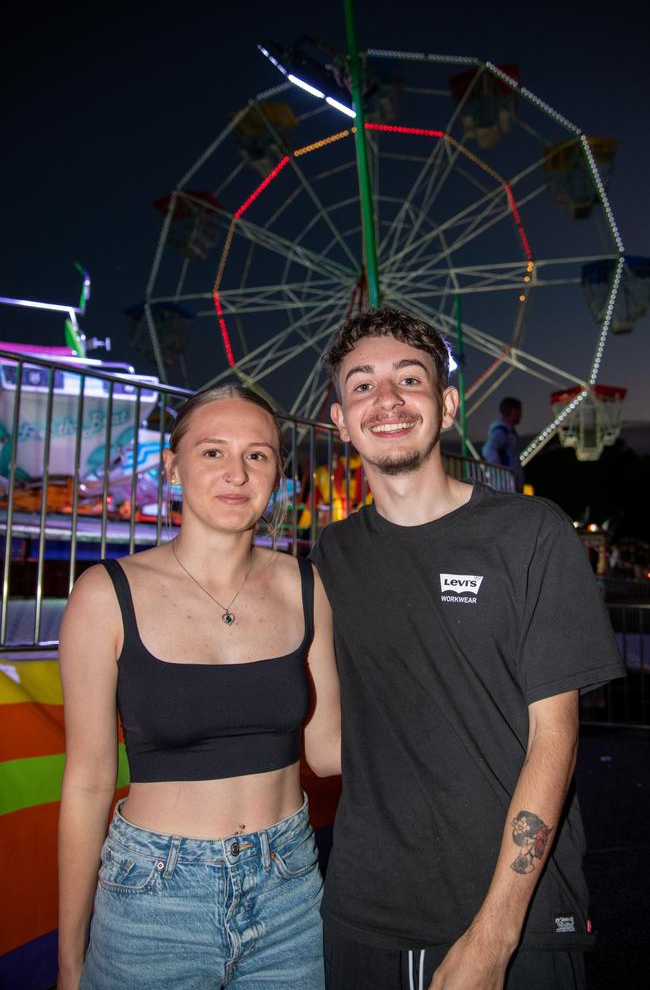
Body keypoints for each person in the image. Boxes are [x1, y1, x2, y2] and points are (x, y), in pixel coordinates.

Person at [309, 307, 625, 990]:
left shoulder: (529, 534)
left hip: (516, 924)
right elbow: (325, 746)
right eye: (361, 385)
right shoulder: (331, 556)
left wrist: (495, 935)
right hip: (365, 916)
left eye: (409, 379)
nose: (386, 400)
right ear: (339, 420)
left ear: (448, 406)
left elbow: (555, 739)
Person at [57, 384, 340, 990]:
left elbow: (328, 750)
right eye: (212, 452)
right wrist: (69, 957)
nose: (236, 473)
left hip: (289, 887)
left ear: (277, 471)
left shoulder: (306, 586)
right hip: (153, 896)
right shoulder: (106, 595)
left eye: (258, 455)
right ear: (173, 465)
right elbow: (86, 782)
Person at [482, 396, 525, 491]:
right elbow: (488, 450)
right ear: (513, 411)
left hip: (511, 484)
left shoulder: (507, 431)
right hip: (507, 486)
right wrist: (502, 473)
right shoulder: (502, 431)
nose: (521, 415)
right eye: (520, 411)